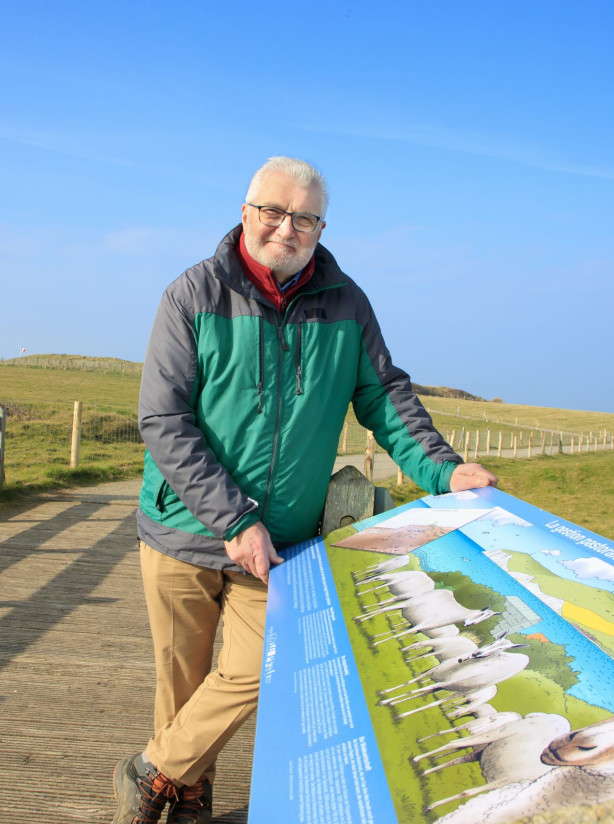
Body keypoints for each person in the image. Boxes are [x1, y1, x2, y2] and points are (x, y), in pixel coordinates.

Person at [113, 156, 497, 824]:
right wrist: (233, 519)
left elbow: (387, 398)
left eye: (305, 217)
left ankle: (151, 774)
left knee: (255, 673)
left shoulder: (347, 304)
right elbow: (163, 420)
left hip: (282, 537)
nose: (286, 228)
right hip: (182, 531)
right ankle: (186, 797)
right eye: (273, 211)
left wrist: (444, 470)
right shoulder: (193, 294)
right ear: (245, 212)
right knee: (180, 683)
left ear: (322, 227)